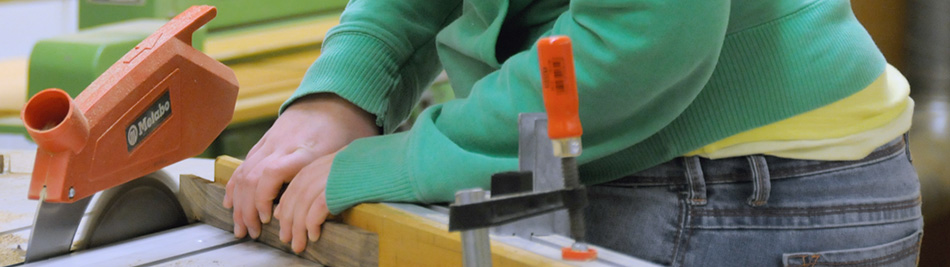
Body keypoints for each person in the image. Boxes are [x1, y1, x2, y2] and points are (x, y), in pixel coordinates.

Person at [223, 0, 924, 266]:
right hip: (648, 167)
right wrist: (344, 93)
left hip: (752, 191)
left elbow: (644, 32)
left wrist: (412, 156)